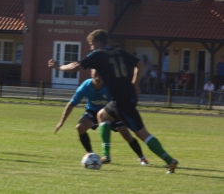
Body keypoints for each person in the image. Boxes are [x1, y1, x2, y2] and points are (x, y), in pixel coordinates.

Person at [48, 29, 178, 174]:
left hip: (123, 101)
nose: (91, 48)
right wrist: (135, 83)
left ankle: (170, 161)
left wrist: (58, 67)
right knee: (103, 115)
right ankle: (106, 155)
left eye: (91, 44)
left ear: (98, 42)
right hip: (123, 98)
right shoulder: (119, 52)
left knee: (142, 134)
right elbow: (140, 64)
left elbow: (76, 67)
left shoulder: (98, 55)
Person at [53, 69, 149, 165]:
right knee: (80, 127)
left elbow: (123, 97)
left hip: (112, 112)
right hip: (93, 111)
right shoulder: (86, 86)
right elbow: (71, 104)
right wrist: (61, 122)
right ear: (91, 74)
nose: (98, 78)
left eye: (101, 75)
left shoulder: (110, 86)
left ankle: (142, 157)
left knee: (126, 134)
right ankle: (91, 154)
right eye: (95, 75)